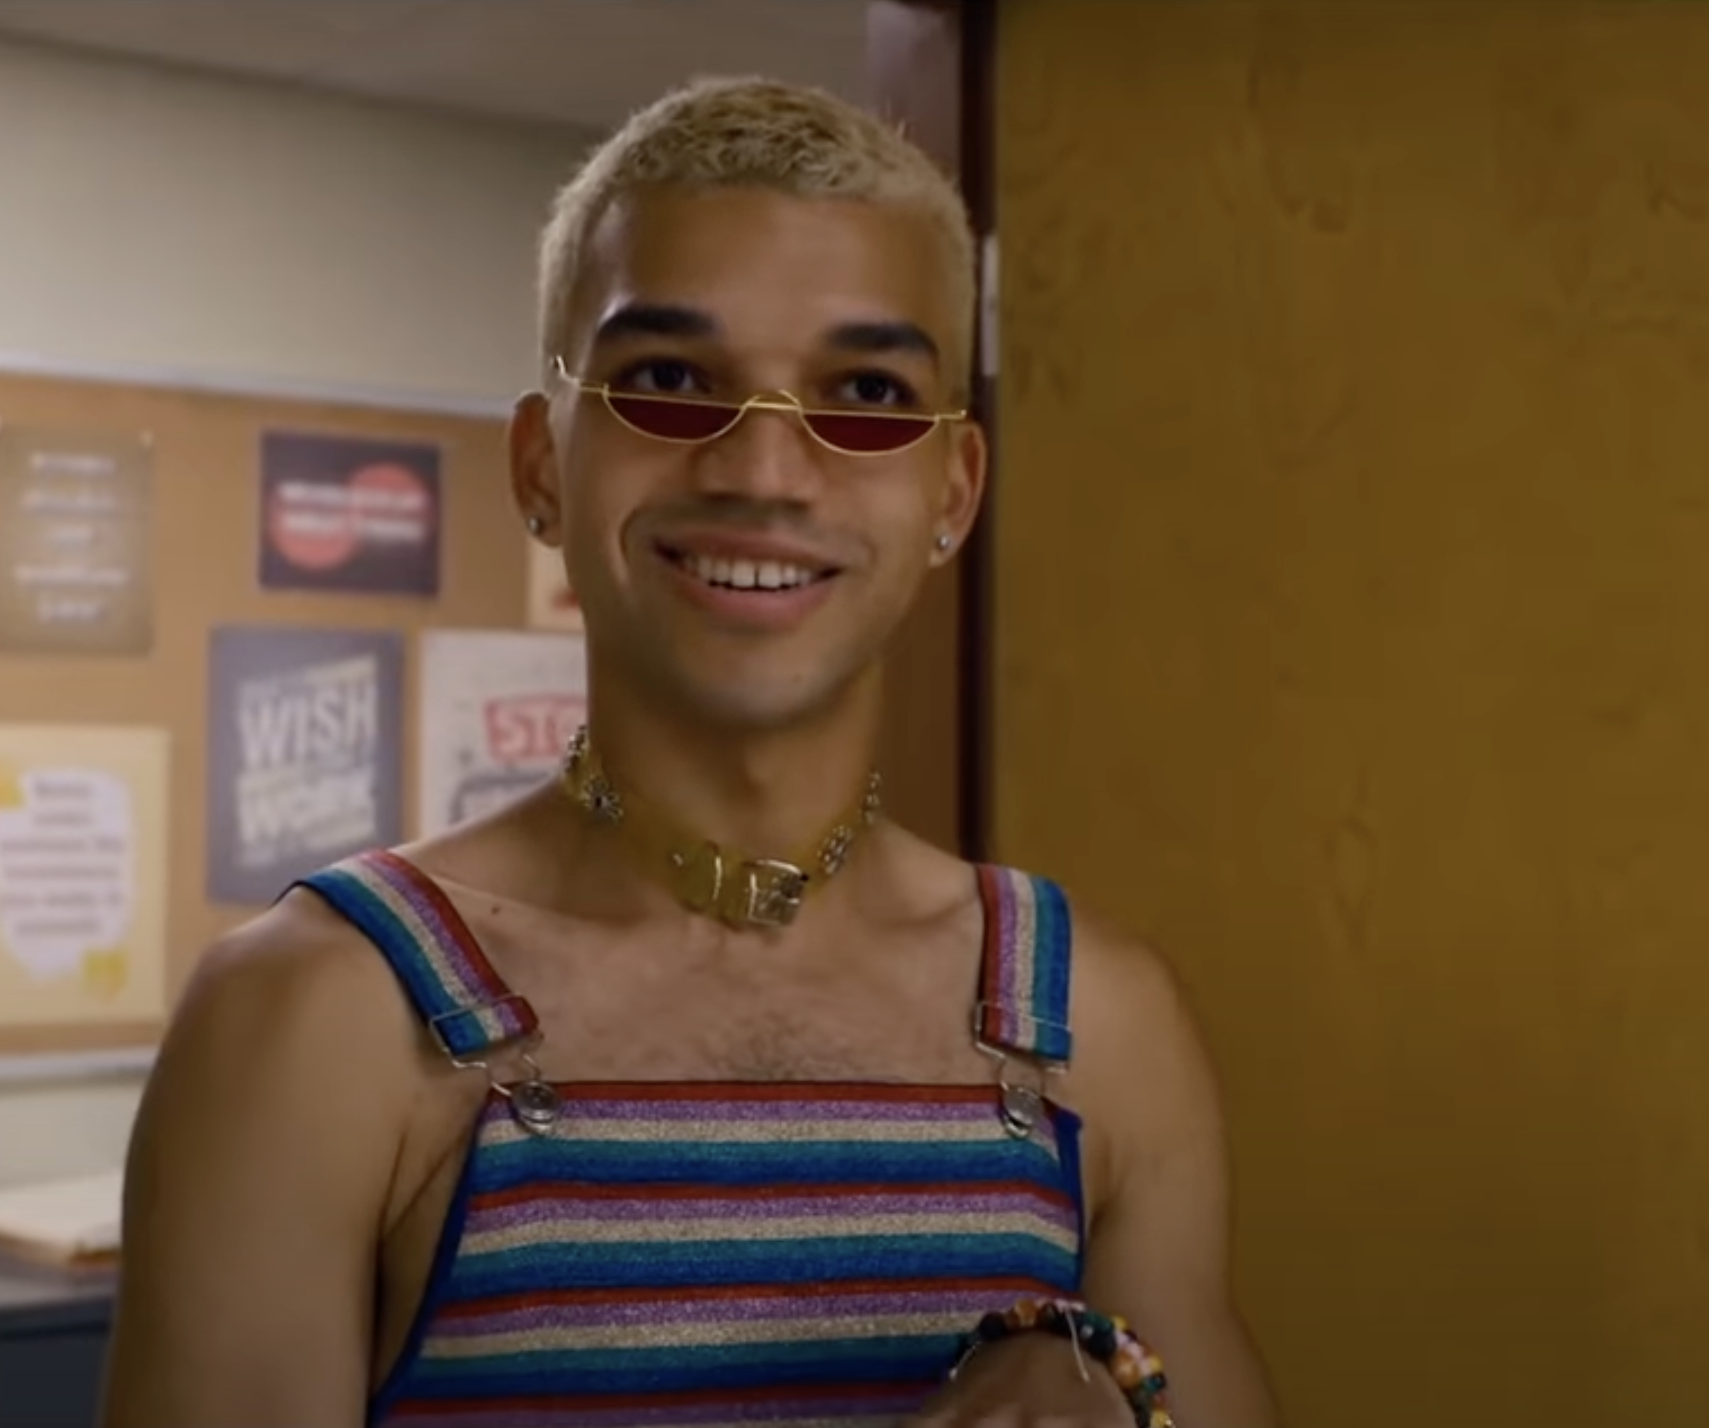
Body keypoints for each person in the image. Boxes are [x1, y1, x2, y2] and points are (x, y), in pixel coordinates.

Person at [99, 76, 1280, 1428]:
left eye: (866, 394)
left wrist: (1117, 1403)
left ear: (952, 492)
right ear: (544, 465)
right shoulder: (315, 1021)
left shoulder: (1099, 1026)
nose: (763, 472)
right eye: (668, 381)